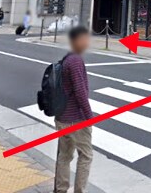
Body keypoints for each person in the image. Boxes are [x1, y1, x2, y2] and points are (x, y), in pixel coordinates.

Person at [54, 25, 94, 193]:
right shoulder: (76, 61)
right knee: (86, 156)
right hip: (76, 118)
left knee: (64, 156)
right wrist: (89, 116)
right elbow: (79, 91)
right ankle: (79, 190)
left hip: (62, 117)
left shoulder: (66, 59)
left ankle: (61, 189)